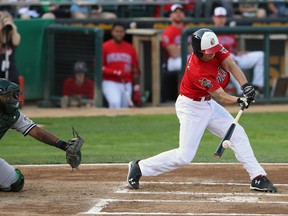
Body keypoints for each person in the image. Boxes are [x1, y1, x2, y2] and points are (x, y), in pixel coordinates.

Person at [127, 28, 277, 193]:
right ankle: (139, 167)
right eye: (209, 52)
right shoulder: (199, 71)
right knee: (184, 156)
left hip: (208, 104)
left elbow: (231, 65)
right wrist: (239, 100)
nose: (213, 54)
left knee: (237, 134)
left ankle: (257, 177)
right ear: (198, 52)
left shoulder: (214, 47)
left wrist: (246, 86)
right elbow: (220, 96)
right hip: (191, 108)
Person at [0, 78, 83, 192]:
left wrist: (63, 145)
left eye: (14, 96)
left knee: (16, 182)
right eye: (8, 95)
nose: (13, 99)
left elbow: (37, 132)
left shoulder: (12, 115)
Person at [212, 7, 264, 96]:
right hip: (221, 60)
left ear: (226, 18)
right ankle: (243, 92)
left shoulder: (230, 31)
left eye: (222, 17)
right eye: (218, 17)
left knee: (260, 55)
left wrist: (240, 52)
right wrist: (227, 58)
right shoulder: (210, 33)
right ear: (214, 18)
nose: (221, 19)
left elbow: (234, 49)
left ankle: (257, 86)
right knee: (230, 63)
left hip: (234, 56)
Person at [102, 23, 141, 109]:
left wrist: (136, 89)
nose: (119, 34)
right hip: (110, 82)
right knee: (115, 103)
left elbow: (135, 69)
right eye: (117, 31)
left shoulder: (130, 48)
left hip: (126, 82)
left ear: (124, 33)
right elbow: (98, 68)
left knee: (125, 107)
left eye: (121, 32)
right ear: (112, 32)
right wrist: (114, 72)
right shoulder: (104, 47)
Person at [0, 10, 20, 84]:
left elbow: (16, 43)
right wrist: (2, 32)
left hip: (10, 67)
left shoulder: (14, 34)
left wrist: (14, 29)